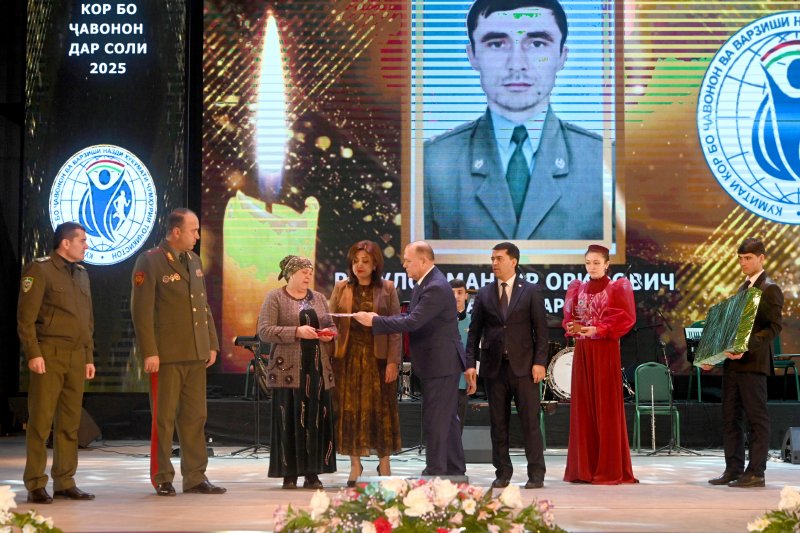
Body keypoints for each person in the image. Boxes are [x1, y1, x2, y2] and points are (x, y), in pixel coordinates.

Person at [424, 0, 603, 241]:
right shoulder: (431, 163)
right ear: (472, 56)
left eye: (537, 43)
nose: (517, 64)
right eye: (497, 44)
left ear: (562, 56)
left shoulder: (604, 164)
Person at [130, 208, 226, 496]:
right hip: (167, 355)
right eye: (193, 230)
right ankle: (162, 477)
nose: (197, 236)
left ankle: (195, 476)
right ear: (176, 232)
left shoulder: (194, 260)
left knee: (195, 417)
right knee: (164, 418)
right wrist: (150, 351)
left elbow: (202, 305)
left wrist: (211, 342)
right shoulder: (151, 260)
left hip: (195, 352)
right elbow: (141, 311)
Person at [354, 242, 466, 476]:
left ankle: (435, 470)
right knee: (447, 418)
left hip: (441, 363)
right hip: (438, 362)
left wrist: (375, 321)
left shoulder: (435, 286)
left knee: (436, 418)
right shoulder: (425, 283)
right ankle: (454, 467)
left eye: (408, 260)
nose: (404, 264)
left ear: (423, 261)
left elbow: (413, 321)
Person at [17, 222, 96, 504]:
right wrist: (33, 353)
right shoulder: (40, 269)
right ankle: (35, 483)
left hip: (76, 356)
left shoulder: (82, 274)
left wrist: (88, 356)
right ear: (65, 243)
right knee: (40, 421)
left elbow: (87, 320)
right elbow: (26, 319)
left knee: (70, 423)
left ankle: (65, 481)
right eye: (82, 240)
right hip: (49, 354)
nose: (86, 245)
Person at [465, 242, 548, 489]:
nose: (494, 263)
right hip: (494, 369)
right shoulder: (484, 293)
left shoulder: (530, 291)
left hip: (525, 368)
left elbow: (541, 331)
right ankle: (502, 472)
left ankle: (536, 473)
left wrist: (540, 362)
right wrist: (470, 364)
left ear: (513, 261)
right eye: (492, 258)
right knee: (498, 424)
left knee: (530, 423)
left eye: (499, 258)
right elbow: (474, 333)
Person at [705, 238, 783, 488]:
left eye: (748, 258)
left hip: (753, 364)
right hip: (732, 365)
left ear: (761, 258)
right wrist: (712, 357)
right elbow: (732, 329)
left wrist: (746, 346)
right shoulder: (743, 288)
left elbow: (774, 327)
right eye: (740, 259)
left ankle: (756, 472)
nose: (743, 263)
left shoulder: (770, 288)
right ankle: (733, 469)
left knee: (756, 419)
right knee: (730, 418)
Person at [257, 255, 338, 489]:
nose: (307, 276)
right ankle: (289, 473)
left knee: (316, 420)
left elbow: (331, 325)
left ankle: (313, 473)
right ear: (291, 274)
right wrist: (296, 332)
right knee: (289, 420)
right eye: (303, 272)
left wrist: (329, 334)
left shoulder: (319, 298)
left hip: (317, 370)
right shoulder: (275, 297)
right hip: (288, 371)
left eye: (310, 272)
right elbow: (264, 331)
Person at [562, 244, 636, 484]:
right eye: (588, 263)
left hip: (605, 350)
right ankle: (584, 469)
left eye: (596, 263)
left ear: (606, 264)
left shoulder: (616, 287)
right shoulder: (578, 288)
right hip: (583, 351)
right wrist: (572, 326)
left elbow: (625, 319)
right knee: (583, 406)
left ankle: (608, 468)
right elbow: (570, 318)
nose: (592, 267)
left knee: (606, 407)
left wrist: (598, 329)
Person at [329, 241, 402, 485]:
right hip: (347, 360)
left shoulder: (387, 288)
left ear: (375, 265)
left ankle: (384, 464)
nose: (359, 265)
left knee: (382, 412)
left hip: (378, 360)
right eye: (355, 261)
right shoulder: (341, 287)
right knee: (350, 411)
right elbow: (330, 323)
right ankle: (355, 465)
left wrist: (393, 362)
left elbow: (395, 329)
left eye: (365, 261)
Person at [451, 279, 472, 432]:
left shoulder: (473, 321)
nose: (456, 296)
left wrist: (473, 378)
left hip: (463, 381)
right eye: (452, 293)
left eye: (460, 292)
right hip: (444, 381)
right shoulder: (441, 321)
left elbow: (475, 351)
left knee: (458, 427)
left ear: (466, 295)